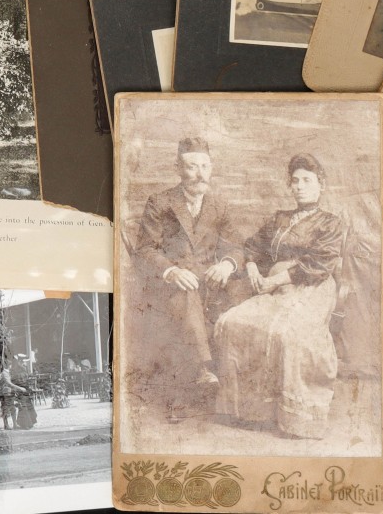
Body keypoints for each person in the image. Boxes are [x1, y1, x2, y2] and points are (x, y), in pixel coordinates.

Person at [212, 153, 345, 440]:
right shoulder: (279, 218)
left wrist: (274, 279)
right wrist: (251, 268)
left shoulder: (330, 223)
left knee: (287, 333)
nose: (299, 186)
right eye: (295, 181)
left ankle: (293, 418)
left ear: (321, 185)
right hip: (274, 287)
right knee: (232, 322)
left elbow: (319, 266)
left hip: (313, 287)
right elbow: (253, 246)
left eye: (307, 181)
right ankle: (247, 411)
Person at [136, 136, 242, 412]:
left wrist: (227, 264)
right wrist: (171, 271)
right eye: (192, 166)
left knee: (243, 297)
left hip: (211, 285)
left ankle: (240, 397)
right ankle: (204, 371)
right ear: (178, 168)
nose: (200, 174)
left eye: (205, 166)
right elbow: (145, 250)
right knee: (186, 294)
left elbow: (235, 246)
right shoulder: (160, 203)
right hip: (171, 288)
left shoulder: (220, 206)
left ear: (212, 168)